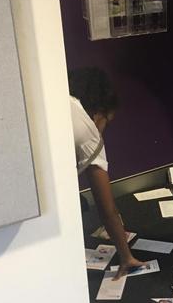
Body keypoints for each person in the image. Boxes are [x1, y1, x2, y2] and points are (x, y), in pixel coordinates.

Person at [68, 67, 145, 280]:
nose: (103, 129)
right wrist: (126, 256)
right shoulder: (89, 131)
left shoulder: (59, 100)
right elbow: (106, 208)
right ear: (99, 110)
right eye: (106, 122)